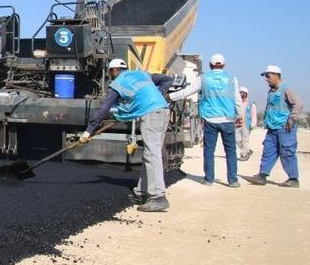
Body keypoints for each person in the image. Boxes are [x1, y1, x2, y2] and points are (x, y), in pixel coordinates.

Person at [82, 58, 174, 212]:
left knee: (152, 154)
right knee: (150, 154)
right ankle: (142, 192)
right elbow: (167, 79)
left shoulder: (118, 82)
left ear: (113, 70)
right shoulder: (141, 74)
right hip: (162, 111)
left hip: (152, 114)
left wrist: (88, 130)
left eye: (111, 73)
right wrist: (156, 96)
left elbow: (104, 108)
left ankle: (158, 197)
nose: (111, 76)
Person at [168, 53, 242, 187]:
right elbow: (237, 100)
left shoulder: (204, 78)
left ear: (210, 65)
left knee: (209, 151)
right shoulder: (232, 79)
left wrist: (170, 96)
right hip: (228, 119)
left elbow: (188, 91)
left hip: (210, 120)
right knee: (231, 151)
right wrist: (240, 116)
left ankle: (209, 179)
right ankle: (233, 180)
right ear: (224, 65)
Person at [245, 65, 304, 187]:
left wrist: (291, 119)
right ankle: (262, 176)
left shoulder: (286, 89)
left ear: (276, 76)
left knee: (287, 152)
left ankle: (293, 179)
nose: (266, 79)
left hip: (285, 127)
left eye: (268, 76)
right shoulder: (271, 92)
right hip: (272, 127)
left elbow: (298, 104)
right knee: (268, 151)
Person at [237, 86, 257, 161]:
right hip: (237, 124)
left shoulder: (251, 103)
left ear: (245, 93)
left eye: (241, 92)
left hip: (246, 124)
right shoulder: (237, 103)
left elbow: (253, 114)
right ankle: (247, 151)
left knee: (245, 139)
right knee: (237, 140)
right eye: (239, 92)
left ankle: (244, 155)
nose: (240, 94)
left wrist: (253, 124)